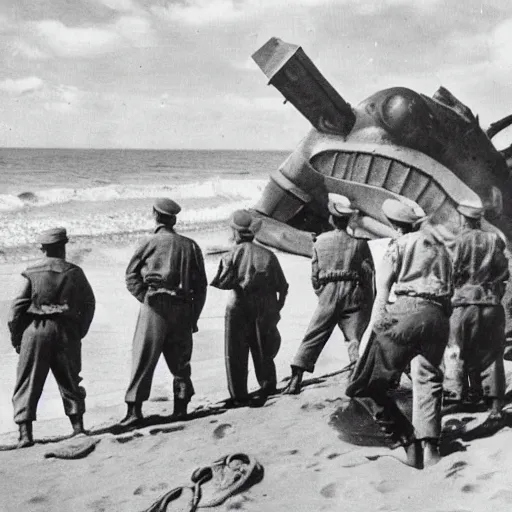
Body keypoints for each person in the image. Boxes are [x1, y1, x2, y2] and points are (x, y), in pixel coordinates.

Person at [346, 199, 453, 469]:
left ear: (395, 225)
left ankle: (408, 444)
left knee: (363, 385)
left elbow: (382, 294)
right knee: (428, 379)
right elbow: (450, 290)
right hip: (438, 315)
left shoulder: (398, 246)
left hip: (407, 311)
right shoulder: (440, 247)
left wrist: (370, 336)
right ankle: (431, 451)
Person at [120, 198, 207, 427]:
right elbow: (201, 286)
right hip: (182, 308)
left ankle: (134, 411)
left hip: (155, 307)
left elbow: (131, 276)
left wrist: (145, 297)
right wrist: (194, 316)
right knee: (180, 361)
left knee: (143, 358)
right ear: (174, 219)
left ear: (155, 215)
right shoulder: (190, 245)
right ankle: (180, 408)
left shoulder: (147, 243)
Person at [8, 228, 96, 448]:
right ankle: (78, 427)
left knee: (28, 380)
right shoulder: (74, 271)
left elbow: (16, 310)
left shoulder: (31, 272)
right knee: (70, 379)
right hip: (66, 330)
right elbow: (89, 304)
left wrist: (17, 338)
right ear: (63, 247)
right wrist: (79, 331)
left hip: (35, 330)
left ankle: (25, 434)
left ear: (42, 249)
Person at [284, 195, 375, 395]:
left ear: (332, 220)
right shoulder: (359, 243)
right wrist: (367, 298)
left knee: (314, 333)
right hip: (354, 292)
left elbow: (314, 276)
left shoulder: (319, 242)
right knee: (354, 337)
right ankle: (355, 374)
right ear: (347, 221)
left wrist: (323, 294)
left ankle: (296, 379)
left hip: (329, 292)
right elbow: (368, 274)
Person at [211, 209, 288, 406]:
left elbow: (222, 282)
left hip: (237, 305)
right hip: (264, 306)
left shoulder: (230, 255)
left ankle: (238, 394)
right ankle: (267, 385)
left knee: (235, 351)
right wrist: (276, 308)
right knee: (263, 349)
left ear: (235, 233)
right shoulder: (268, 254)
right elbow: (283, 287)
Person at [443, 202, 509, 422]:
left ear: (463, 218)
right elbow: (504, 273)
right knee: (491, 353)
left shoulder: (456, 241)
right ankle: (495, 406)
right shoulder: (493, 240)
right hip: (490, 303)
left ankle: (456, 396)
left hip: (462, 303)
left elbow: (448, 273)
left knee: (457, 350)